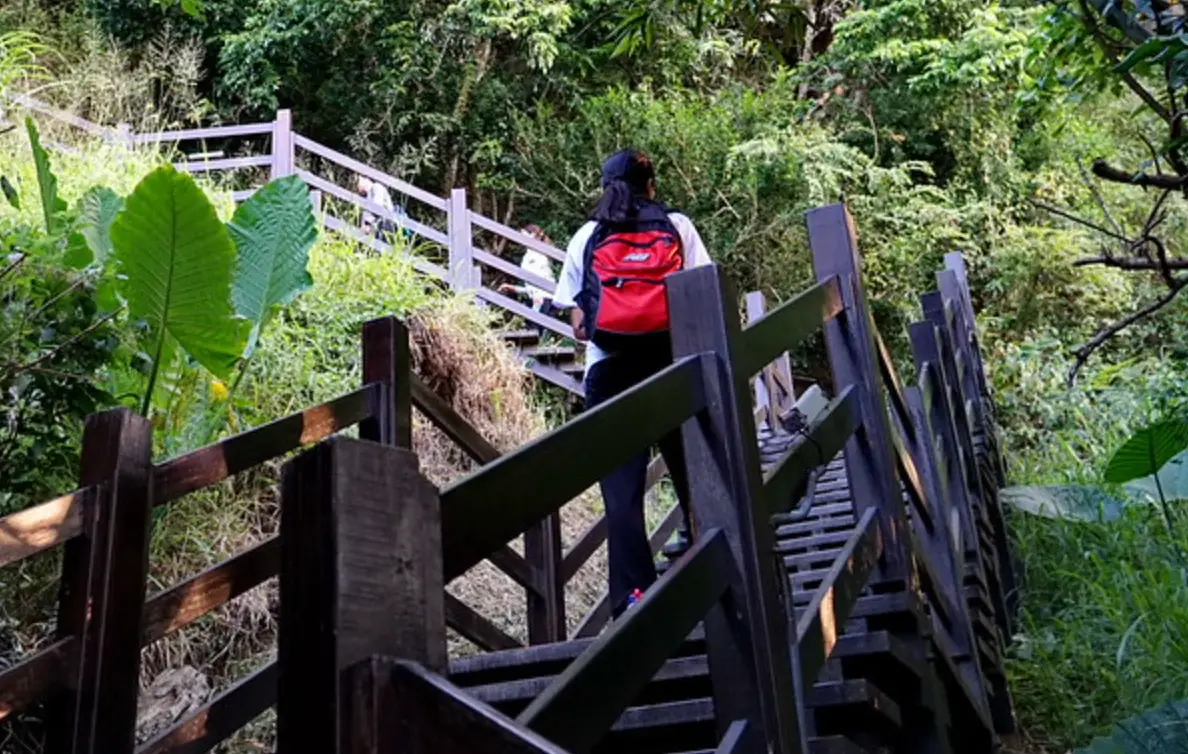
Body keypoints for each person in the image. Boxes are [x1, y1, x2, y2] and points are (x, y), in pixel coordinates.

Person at [550, 149, 711, 617]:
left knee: (621, 492)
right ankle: (713, 570)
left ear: (605, 186)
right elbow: (701, 295)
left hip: (610, 371)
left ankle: (634, 599)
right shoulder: (677, 226)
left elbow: (580, 326)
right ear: (652, 185)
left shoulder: (587, 235)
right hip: (672, 364)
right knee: (695, 472)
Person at [499, 224, 558, 317]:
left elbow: (542, 278)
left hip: (543, 298)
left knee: (535, 327)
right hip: (538, 298)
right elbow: (531, 285)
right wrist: (514, 288)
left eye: (524, 235)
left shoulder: (539, 254)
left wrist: (538, 295)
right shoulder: (529, 255)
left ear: (534, 235)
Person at [356, 175, 408, 244]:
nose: (357, 186)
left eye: (358, 182)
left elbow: (377, 209)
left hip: (386, 229)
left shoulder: (376, 187)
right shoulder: (368, 196)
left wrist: (367, 224)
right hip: (378, 233)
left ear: (366, 179)